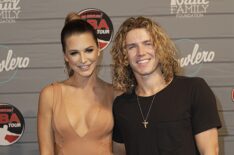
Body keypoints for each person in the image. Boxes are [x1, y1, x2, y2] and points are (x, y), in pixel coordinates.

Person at [111, 16, 221, 155]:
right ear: (124, 56)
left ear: (160, 48)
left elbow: (210, 151)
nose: (141, 52)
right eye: (132, 47)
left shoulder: (193, 90)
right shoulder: (121, 105)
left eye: (148, 43)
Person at [37, 12, 118, 155]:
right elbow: (46, 151)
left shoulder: (115, 94)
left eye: (88, 50)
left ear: (98, 49)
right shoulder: (50, 95)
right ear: (66, 56)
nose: (83, 60)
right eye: (74, 53)